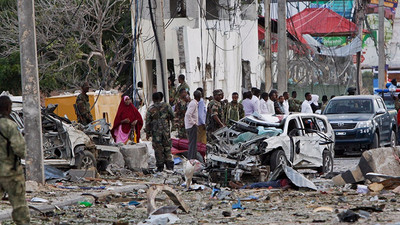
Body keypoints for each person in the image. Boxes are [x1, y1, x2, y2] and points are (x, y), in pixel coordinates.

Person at [0, 96, 30, 225]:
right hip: (10, 172)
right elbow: (20, 150)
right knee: (19, 206)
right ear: (8, 108)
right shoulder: (9, 125)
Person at [145, 92, 175, 172]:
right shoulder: (167, 106)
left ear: (153, 99)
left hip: (156, 132)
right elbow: (173, 116)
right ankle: (169, 166)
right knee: (167, 147)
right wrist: (173, 126)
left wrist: (147, 133)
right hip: (165, 131)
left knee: (158, 149)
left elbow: (147, 122)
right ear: (161, 99)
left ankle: (160, 166)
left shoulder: (151, 109)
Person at [185, 91, 201, 160]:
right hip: (191, 126)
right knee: (192, 144)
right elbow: (188, 114)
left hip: (191, 125)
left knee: (193, 144)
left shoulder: (194, 103)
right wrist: (194, 123)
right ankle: (191, 158)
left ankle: (193, 157)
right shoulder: (193, 104)